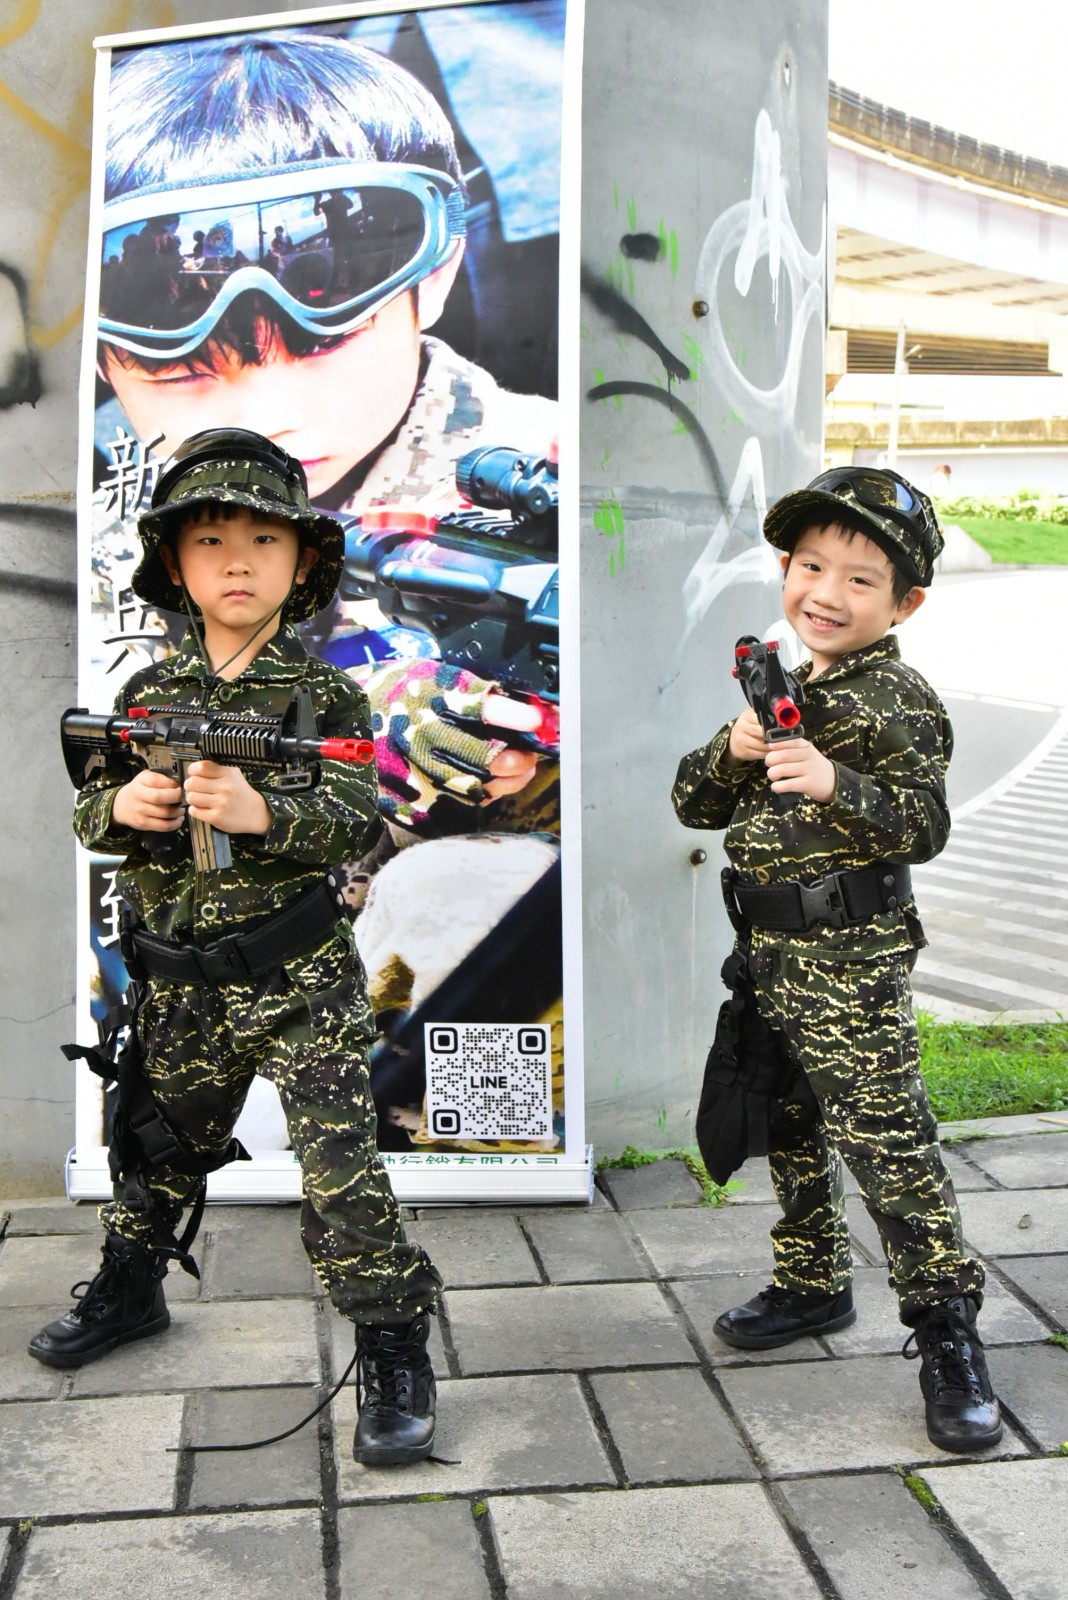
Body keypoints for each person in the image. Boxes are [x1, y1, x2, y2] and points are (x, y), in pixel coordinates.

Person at [30, 429, 442, 1467]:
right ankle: (131, 1287)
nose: (239, 562)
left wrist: (264, 813)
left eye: (265, 540)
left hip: (297, 982)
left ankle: (393, 1340)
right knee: (157, 1147)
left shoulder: (327, 698)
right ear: (175, 565)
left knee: (341, 1173)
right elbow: (90, 809)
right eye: (211, 540)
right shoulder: (145, 695)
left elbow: (354, 816)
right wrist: (122, 807)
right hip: (180, 987)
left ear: (303, 563)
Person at [93, 27, 555, 838]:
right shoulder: (114, 520)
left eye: (322, 346)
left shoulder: (564, 487)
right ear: (102, 364)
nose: (270, 419)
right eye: (189, 376)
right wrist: (354, 731)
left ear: (436, 278)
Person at [671, 466, 1002, 1454]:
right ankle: (812, 1282)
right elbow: (693, 804)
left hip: (850, 961)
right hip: (771, 954)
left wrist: (832, 782)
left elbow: (924, 825)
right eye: (811, 566)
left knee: (889, 1145)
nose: (826, 591)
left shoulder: (896, 697)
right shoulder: (787, 682)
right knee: (790, 1124)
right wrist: (734, 750)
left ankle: (948, 1334)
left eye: (860, 579)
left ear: (906, 603)